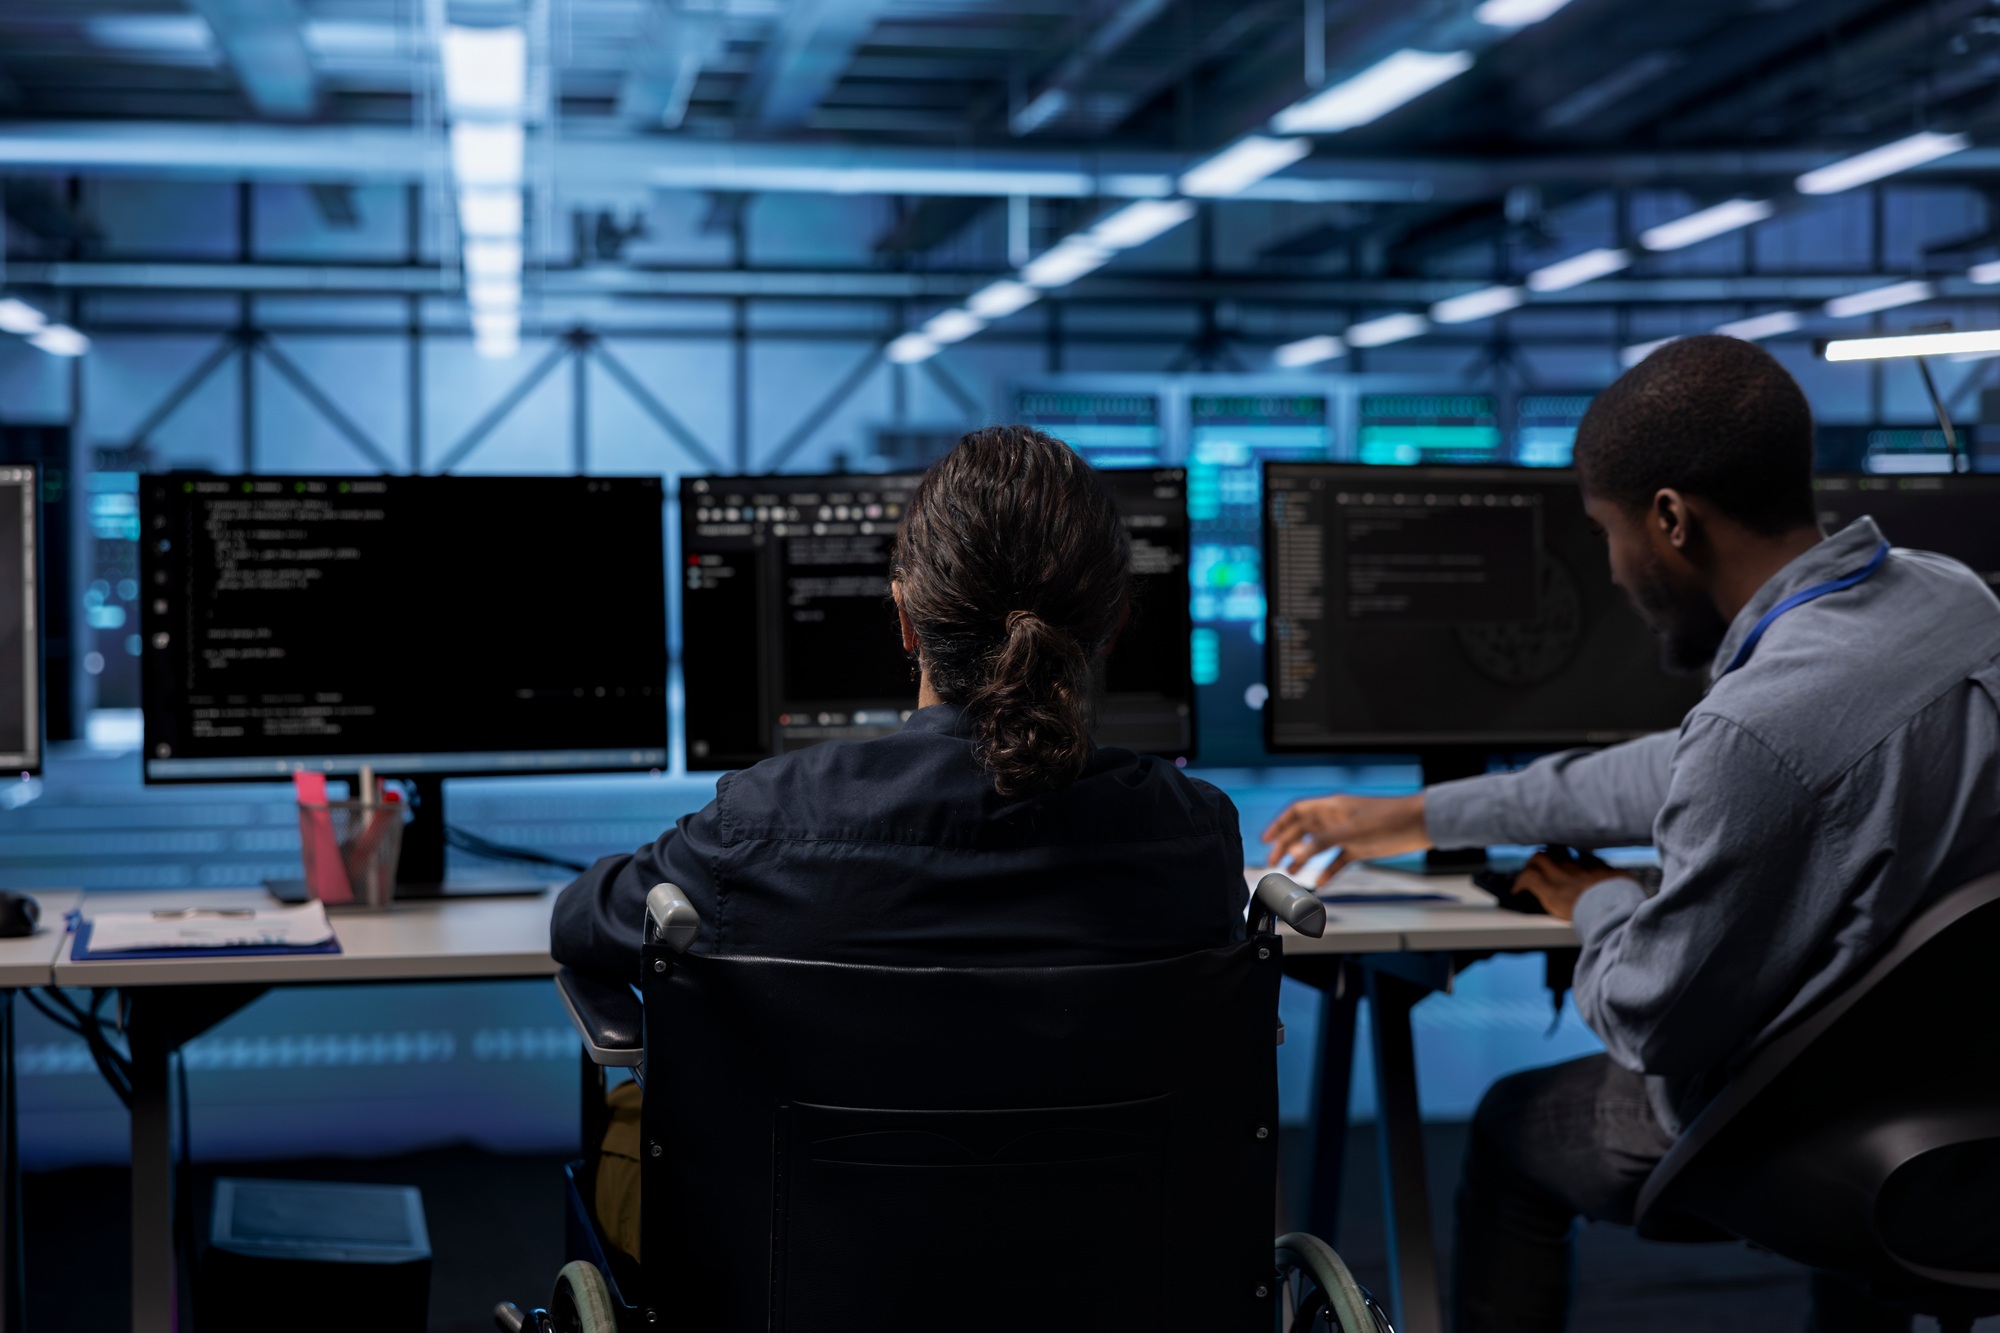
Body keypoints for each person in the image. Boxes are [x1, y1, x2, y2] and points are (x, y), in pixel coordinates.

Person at [1261, 335, 2000, 1333]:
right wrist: (1414, 816)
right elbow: (1684, 765)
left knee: (1509, 1128)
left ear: (1667, 518)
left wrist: (1593, 901)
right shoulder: (1952, 599)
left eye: (1605, 532)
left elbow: (1654, 1018)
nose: (1611, 570)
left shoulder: (1757, 727)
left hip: (1789, 1114)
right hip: (1961, 1086)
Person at [553, 426, 1249, 1258]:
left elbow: (581, 922)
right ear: (1113, 626)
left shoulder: (766, 821)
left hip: (806, 1273)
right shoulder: (1193, 833)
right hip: (1112, 1276)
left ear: (907, 618)